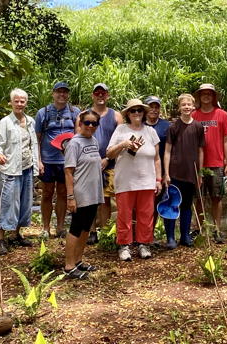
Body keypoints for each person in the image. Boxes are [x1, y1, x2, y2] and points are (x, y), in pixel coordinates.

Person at [106, 99, 162, 261]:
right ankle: (124, 245)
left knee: (146, 214)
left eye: (139, 110)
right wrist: (123, 144)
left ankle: (144, 244)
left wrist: (158, 179)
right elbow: (109, 154)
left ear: (143, 113)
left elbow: (157, 158)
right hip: (125, 181)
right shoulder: (121, 130)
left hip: (147, 180)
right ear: (127, 114)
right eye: (133, 111)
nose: (136, 113)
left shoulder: (150, 131)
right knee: (124, 214)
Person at [0, 88, 40, 255]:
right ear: (11, 103)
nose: (19, 104)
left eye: (22, 101)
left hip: (27, 168)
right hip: (10, 169)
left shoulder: (30, 121)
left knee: (24, 203)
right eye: (16, 101)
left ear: (26, 103)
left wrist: (38, 162)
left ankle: (16, 235)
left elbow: (33, 144)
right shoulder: (5, 122)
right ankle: (0, 239)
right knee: (6, 204)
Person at [35, 82, 80, 239]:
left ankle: (60, 227)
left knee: (62, 192)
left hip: (67, 161)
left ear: (68, 94)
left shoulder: (75, 112)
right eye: (59, 92)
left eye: (65, 92)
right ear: (53, 93)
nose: (62, 95)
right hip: (48, 160)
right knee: (47, 193)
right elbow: (37, 139)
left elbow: (79, 136)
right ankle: (46, 228)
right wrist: (38, 161)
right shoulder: (43, 113)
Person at [63, 110, 104, 280]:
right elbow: (68, 172)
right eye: (87, 122)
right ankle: (69, 265)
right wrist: (70, 197)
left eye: (94, 123)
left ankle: (79, 260)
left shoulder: (93, 141)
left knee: (86, 228)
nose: (90, 126)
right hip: (80, 193)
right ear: (80, 123)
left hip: (93, 193)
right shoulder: (74, 143)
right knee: (76, 228)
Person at [192, 83, 227, 242]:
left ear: (214, 96)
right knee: (199, 198)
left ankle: (216, 229)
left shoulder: (222, 114)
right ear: (199, 97)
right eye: (203, 93)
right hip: (198, 164)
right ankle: (200, 229)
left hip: (216, 162)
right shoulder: (194, 115)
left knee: (217, 197)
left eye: (210, 93)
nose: (207, 96)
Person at [83, 83, 123, 245]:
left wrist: (108, 159)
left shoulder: (116, 116)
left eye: (103, 93)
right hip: (89, 164)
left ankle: (106, 231)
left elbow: (120, 140)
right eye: (97, 93)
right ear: (92, 95)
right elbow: (78, 138)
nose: (100, 96)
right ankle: (92, 231)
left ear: (108, 95)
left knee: (106, 199)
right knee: (91, 199)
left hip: (110, 164)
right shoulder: (85, 115)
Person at [163, 94, 205, 248]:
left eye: (189, 104)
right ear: (179, 107)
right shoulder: (173, 127)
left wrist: (200, 173)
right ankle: (170, 237)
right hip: (175, 173)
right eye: (184, 105)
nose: (187, 107)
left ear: (194, 106)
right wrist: (166, 173)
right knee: (172, 204)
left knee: (187, 205)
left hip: (191, 173)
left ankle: (185, 236)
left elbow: (201, 151)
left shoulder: (198, 127)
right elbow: (167, 151)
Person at [144, 95, 171, 237]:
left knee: (158, 203)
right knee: (143, 206)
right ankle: (140, 235)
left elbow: (170, 150)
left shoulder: (166, 126)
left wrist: (167, 173)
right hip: (142, 171)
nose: (154, 110)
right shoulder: (139, 124)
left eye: (156, 107)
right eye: (151, 107)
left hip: (160, 171)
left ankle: (152, 234)